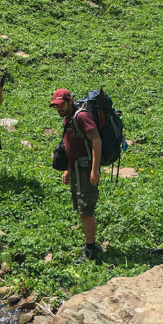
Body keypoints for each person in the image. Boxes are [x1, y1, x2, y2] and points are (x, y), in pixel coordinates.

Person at [50, 88, 102, 261]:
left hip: (86, 169)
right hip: (76, 169)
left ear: (70, 100)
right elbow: (73, 146)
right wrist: (67, 169)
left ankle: (91, 251)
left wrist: (95, 170)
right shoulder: (68, 119)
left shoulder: (81, 117)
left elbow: (96, 141)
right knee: (81, 209)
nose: (59, 109)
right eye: (56, 107)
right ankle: (90, 243)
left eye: (61, 105)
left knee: (86, 210)